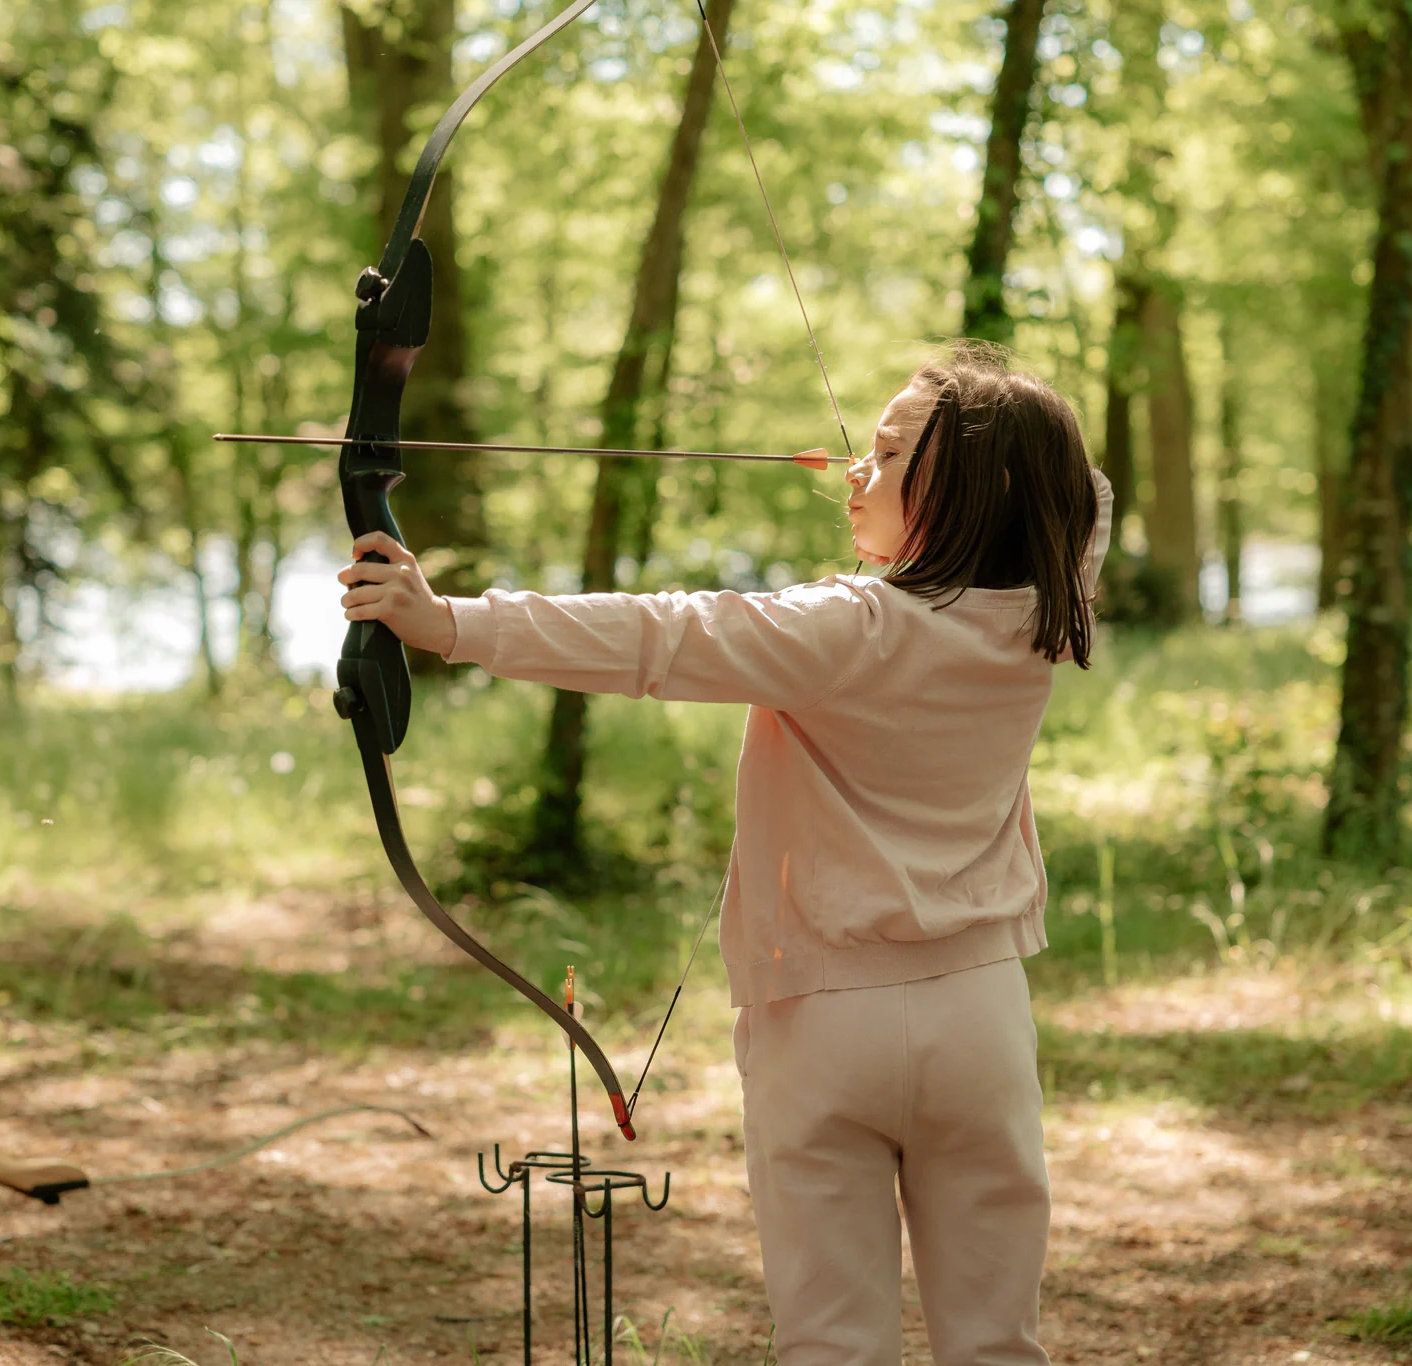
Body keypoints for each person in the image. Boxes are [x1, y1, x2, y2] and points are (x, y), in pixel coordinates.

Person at [338, 344, 1112, 1366]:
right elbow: (1085, 495)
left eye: (886, 454)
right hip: (980, 1018)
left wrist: (449, 624)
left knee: (832, 1343)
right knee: (995, 1343)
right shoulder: (1044, 616)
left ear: (971, 489)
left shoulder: (844, 627)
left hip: (824, 1021)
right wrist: (966, 455)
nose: (854, 468)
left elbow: (664, 637)